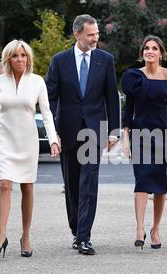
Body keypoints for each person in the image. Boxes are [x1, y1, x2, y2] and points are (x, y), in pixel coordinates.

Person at [46, 14, 120, 255]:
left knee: (89, 182)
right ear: (77, 34)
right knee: (72, 183)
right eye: (90, 35)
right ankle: (76, 229)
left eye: (97, 34)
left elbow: (112, 97)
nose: (95, 38)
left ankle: (84, 236)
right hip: (67, 130)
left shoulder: (105, 60)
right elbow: (50, 98)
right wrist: (52, 132)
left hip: (93, 131)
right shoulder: (59, 61)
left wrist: (113, 132)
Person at [0, 40, 60, 258]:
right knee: (4, 185)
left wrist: (52, 140)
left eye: (23, 55)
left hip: (28, 140)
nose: (20, 59)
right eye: (15, 56)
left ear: (28, 58)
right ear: (8, 59)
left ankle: (26, 236)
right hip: (4, 139)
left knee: (27, 188)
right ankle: (1, 235)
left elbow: (47, 113)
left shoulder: (37, 81)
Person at [121, 35, 167, 250]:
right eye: (147, 48)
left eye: (154, 48)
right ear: (142, 53)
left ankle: (155, 229)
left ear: (161, 53)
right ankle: (140, 228)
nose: (150, 51)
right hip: (140, 135)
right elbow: (128, 108)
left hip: (164, 135)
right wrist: (125, 137)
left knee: (160, 186)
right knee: (141, 182)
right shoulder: (134, 77)